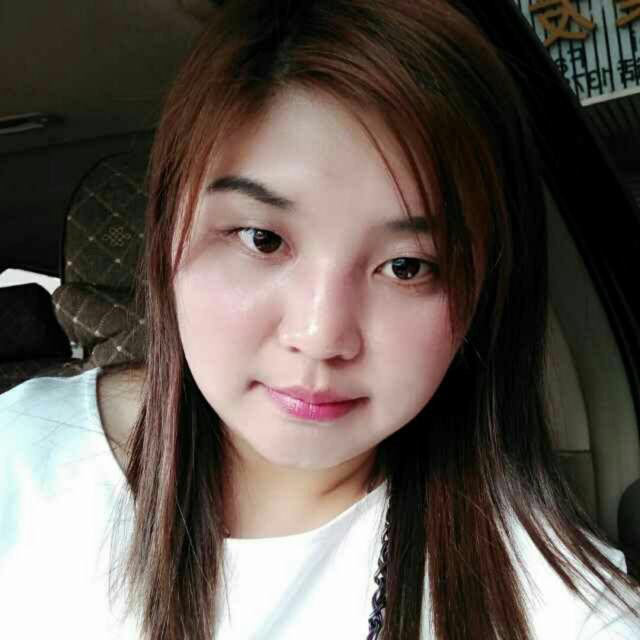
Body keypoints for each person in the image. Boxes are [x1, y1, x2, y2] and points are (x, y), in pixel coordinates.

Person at [1, 1, 639, 638]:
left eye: (407, 267)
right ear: (170, 233)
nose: (320, 336)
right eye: (262, 239)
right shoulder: (21, 457)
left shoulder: (543, 599)